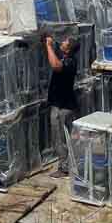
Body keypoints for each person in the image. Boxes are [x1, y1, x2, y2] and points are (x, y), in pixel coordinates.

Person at [44, 34, 79, 178]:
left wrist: (48, 46)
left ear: (68, 49)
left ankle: (64, 168)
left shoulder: (70, 62)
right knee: (64, 137)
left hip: (62, 107)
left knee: (60, 137)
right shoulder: (66, 57)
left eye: (65, 42)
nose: (62, 42)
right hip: (62, 105)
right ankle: (67, 164)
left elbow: (55, 65)